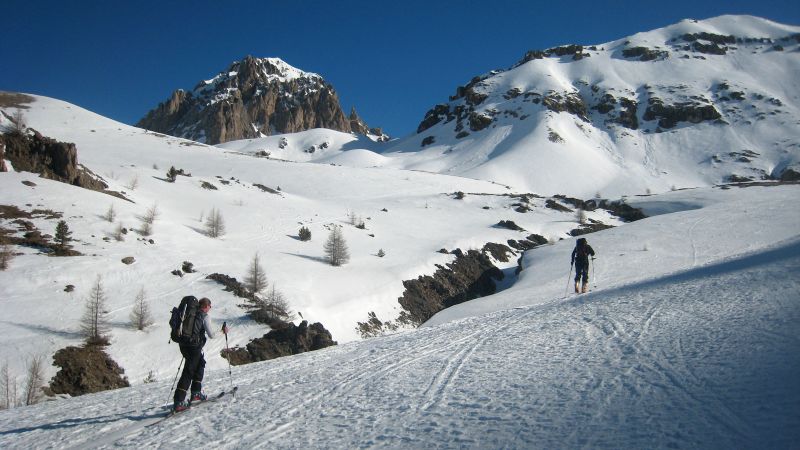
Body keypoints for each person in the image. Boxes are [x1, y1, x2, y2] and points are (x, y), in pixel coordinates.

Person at [173, 297, 228, 412]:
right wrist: (223, 331)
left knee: (200, 364)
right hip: (194, 347)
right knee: (189, 371)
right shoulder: (204, 316)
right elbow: (212, 335)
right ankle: (179, 401)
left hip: (184, 344)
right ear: (206, 306)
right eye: (210, 305)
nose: (210, 308)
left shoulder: (190, 314)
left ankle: (196, 393)